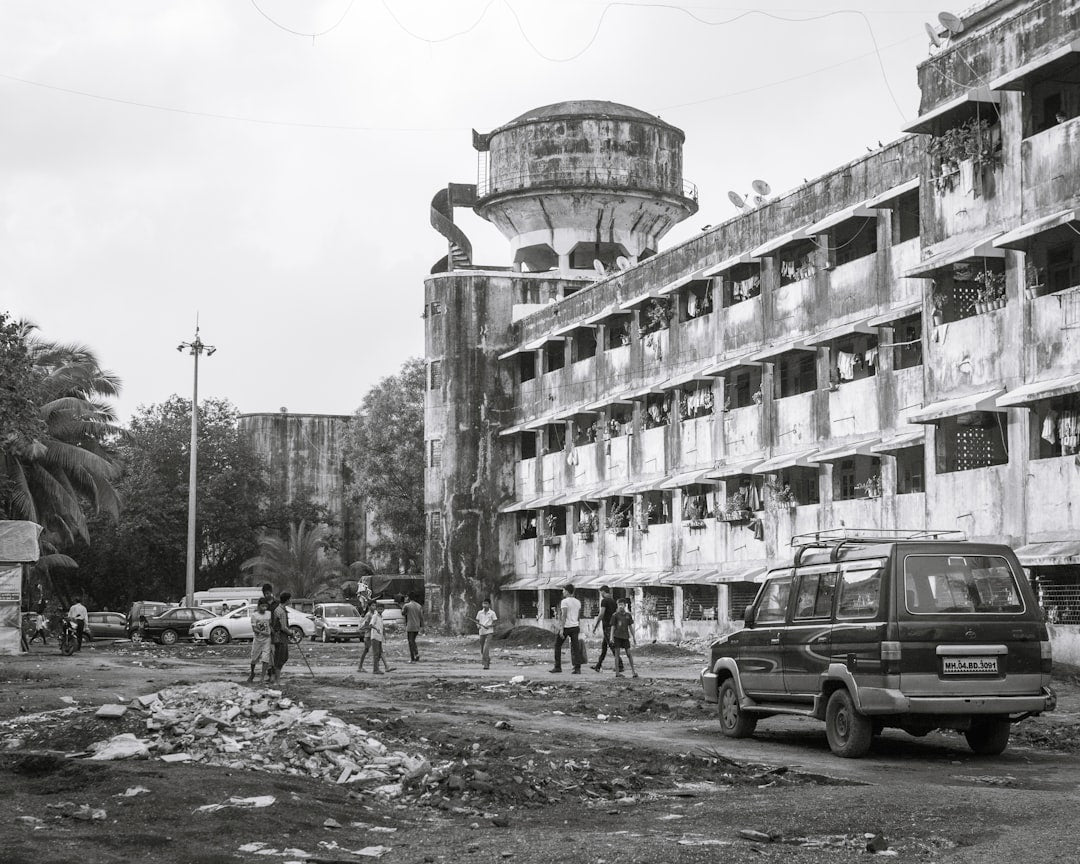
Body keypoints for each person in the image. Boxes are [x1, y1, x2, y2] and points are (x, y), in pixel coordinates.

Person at [550, 584, 583, 674]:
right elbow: (578, 616)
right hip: (575, 626)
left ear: (568, 591)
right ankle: (577, 668)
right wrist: (579, 625)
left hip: (567, 627)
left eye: (564, 590)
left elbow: (564, 615)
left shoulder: (564, 602)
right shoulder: (578, 602)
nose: (563, 592)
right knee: (575, 647)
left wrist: (561, 629)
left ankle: (557, 667)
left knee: (557, 645)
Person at [590, 586, 623, 673]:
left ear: (603, 592)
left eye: (601, 592)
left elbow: (601, 614)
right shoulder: (613, 601)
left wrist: (595, 626)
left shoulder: (604, 601)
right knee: (604, 647)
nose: (601, 594)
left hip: (607, 627)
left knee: (612, 646)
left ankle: (620, 665)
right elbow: (616, 613)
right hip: (612, 626)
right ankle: (598, 665)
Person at [610, 597, 638, 678]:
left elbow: (630, 627)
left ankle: (633, 672)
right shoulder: (615, 615)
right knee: (617, 654)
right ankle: (617, 673)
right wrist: (611, 637)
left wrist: (634, 637)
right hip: (617, 636)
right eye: (619, 605)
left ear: (625, 605)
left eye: (622, 604)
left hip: (625, 637)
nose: (620, 606)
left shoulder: (628, 615)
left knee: (629, 654)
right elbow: (613, 627)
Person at [269, 592, 291, 684]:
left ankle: (275, 677)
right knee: (280, 658)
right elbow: (283, 627)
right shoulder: (281, 611)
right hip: (280, 637)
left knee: (283, 657)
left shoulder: (279, 609)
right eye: (290, 599)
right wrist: (291, 633)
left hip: (279, 637)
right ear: (287, 600)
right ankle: (277, 680)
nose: (290, 600)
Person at [249, 599, 273, 684]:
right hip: (258, 639)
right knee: (254, 657)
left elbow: (270, 624)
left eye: (265, 606)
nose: (264, 608)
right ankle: (252, 673)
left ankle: (262, 677)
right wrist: (262, 632)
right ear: (259, 606)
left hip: (267, 639)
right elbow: (254, 628)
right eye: (262, 606)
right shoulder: (254, 615)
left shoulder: (269, 614)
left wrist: (271, 632)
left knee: (265, 658)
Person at [474, 598, 497, 670]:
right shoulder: (479, 612)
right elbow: (477, 621)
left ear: (489, 604)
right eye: (483, 603)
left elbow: (495, 623)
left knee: (486, 648)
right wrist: (478, 626)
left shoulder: (492, 613)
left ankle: (486, 664)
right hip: (481, 632)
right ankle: (487, 659)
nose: (484, 605)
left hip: (489, 632)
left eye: (486, 603)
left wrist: (489, 626)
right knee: (482, 649)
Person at [369, 604, 392, 674]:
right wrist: (377, 629)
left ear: (383, 610)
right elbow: (371, 624)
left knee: (379, 653)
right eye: (379, 609)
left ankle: (382, 667)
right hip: (375, 637)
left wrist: (384, 635)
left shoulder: (381, 617)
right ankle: (375, 670)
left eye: (381, 609)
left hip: (379, 637)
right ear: (377, 609)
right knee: (376, 654)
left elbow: (382, 627)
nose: (380, 610)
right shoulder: (375, 616)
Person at [403, 594, 424, 662]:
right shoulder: (419, 606)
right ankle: (416, 654)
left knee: (410, 642)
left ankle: (413, 658)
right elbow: (421, 617)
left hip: (410, 626)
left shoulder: (407, 605)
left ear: (409, 597)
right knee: (413, 641)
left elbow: (403, 613)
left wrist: (404, 605)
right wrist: (422, 626)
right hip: (417, 626)